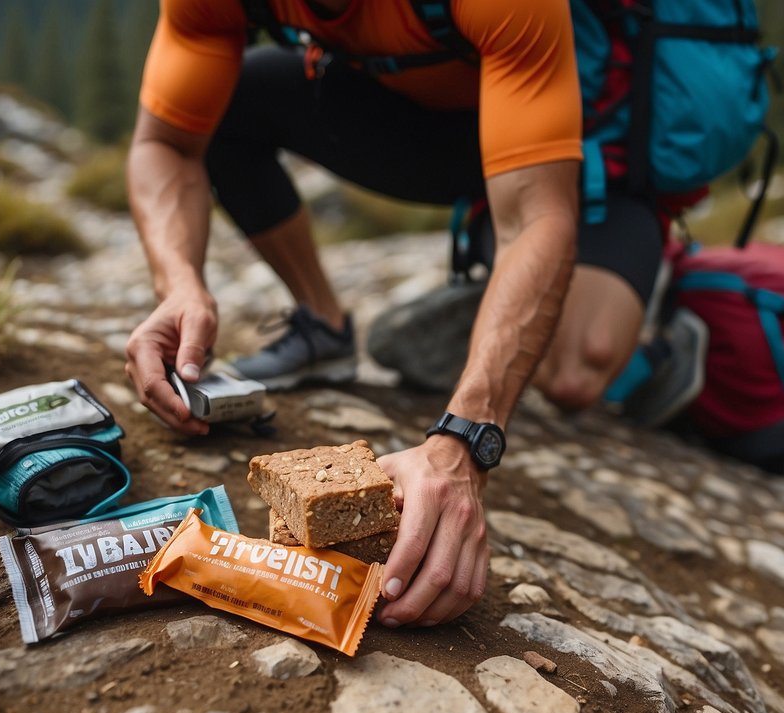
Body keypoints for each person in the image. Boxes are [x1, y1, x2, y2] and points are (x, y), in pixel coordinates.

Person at [124, 0, 673, 629]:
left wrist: (467, 440)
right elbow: (165, 141)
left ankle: (655, 305)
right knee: (228, 104)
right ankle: (325, 324)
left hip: (583, 134)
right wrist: (179, 285)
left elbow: (536, 219)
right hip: (427, 116)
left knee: (579, 372)